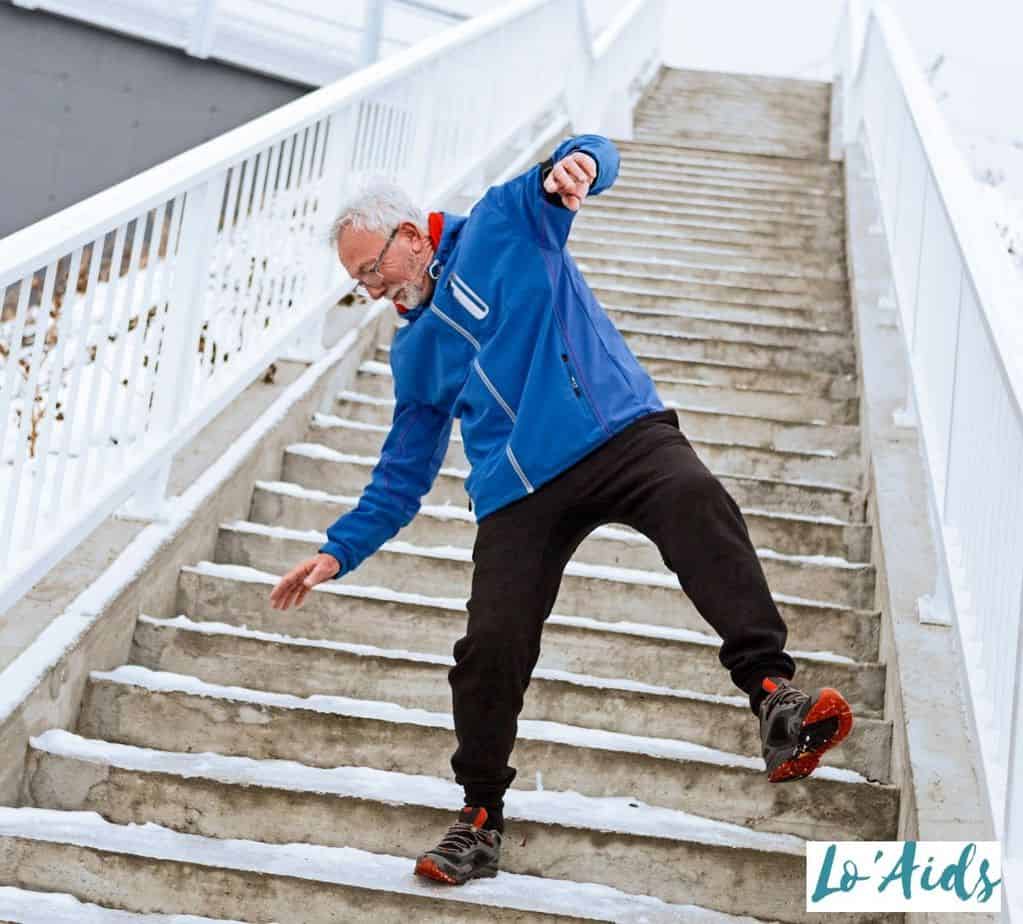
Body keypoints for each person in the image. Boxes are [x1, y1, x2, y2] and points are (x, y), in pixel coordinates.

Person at [268, 134, 854, 885]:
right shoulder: (414, 353)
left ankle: (775, 698)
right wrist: (338, 549)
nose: (373, 290)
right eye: (359, 282)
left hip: (616, 430)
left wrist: (580, 165)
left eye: (372, 270)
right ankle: (479, 817)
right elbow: (401, 473)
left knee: (697, 500)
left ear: (410, 236)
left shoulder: (502, 223)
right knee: (489, 644)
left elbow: (581, 158)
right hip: (519, 490)